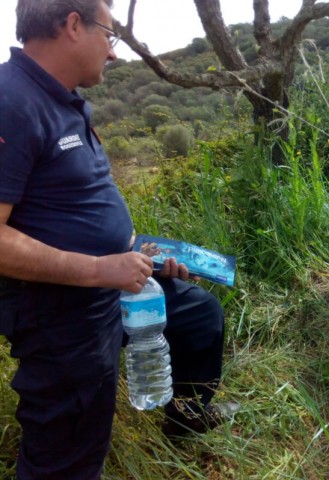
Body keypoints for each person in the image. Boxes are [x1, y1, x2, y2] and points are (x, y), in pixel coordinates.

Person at [0, 1, 231, 478]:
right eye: (110, 35)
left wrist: (132, 255)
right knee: (71, 448)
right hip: (61, 312)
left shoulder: (60, 98)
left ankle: (186, 420)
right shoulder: (10, 101)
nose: (114, 53)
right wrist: (100, 269)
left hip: (117, 278)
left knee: (200, 317)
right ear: (72, 25)